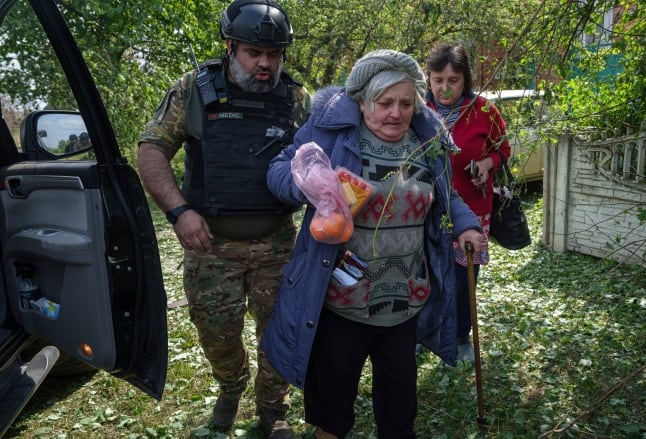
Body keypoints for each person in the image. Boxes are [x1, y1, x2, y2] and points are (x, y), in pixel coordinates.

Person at [262, 49, 483, 438]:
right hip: (340, 304)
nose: (395, 113)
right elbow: (280, 169)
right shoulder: (332, 133)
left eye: (405, 103)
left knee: (399, 416)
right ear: (363, 103)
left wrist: (464, 225)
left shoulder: (426, 140)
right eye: (385, 103)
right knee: (331, 416)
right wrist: (312, 185)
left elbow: (448, 196)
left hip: (404, 302)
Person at [136, 0, 309, 436]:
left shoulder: (296, 98)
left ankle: (274, 408)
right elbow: (151, 150)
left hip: (277, 242)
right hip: (210, 244)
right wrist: (178, 212)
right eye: (255, 53)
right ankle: (231, 387)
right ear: (231, 47)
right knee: (217, 332)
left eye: (274, 54)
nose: (265, 64)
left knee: (280, 331)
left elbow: (321, 156)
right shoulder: (193, 90)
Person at [424, 43, 511, 364]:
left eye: (453, 80)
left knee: (464, 279)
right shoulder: (419, 111)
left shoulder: (484, 111)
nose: (444, 88)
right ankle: (426, 331)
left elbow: (504, 150)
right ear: (428, 80)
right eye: (438, 80)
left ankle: (461, 337)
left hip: (473, 209)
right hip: (428, 210)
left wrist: (488, 163)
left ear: (465, 80)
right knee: (428, 274)